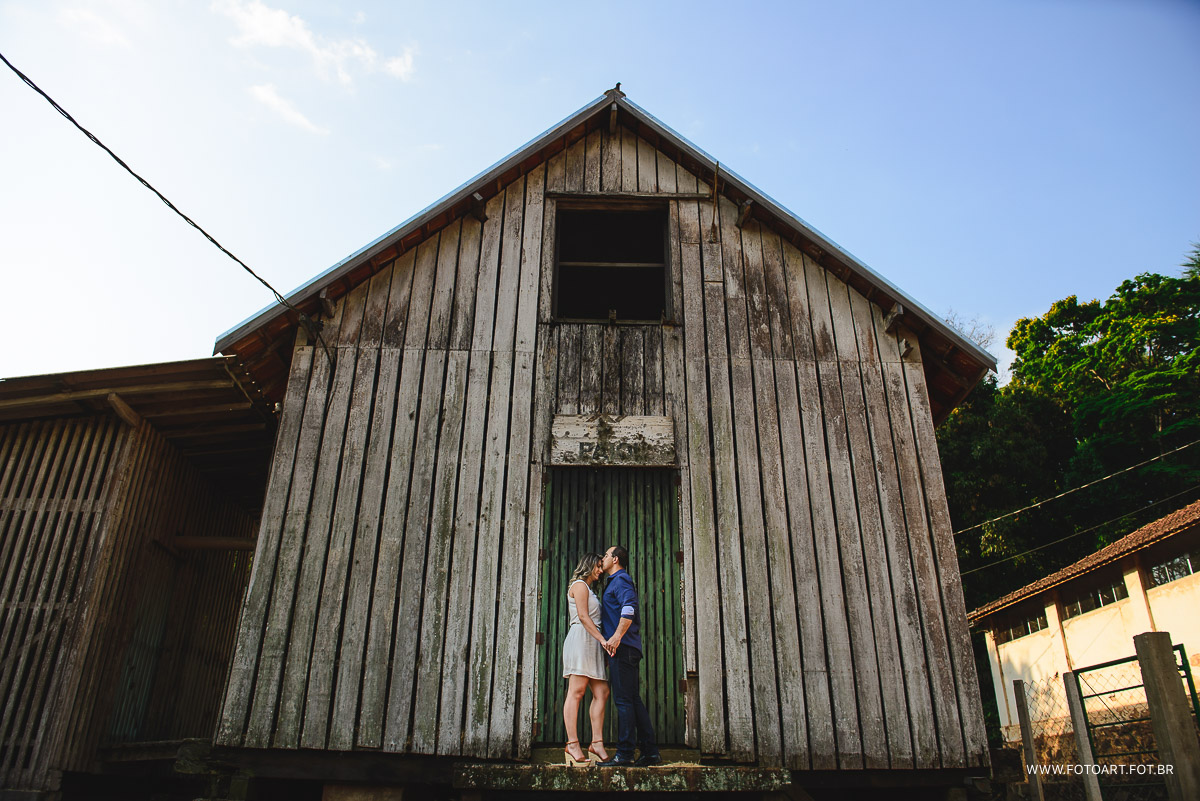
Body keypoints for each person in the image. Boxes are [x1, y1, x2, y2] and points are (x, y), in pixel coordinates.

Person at [596, 545, 661, 767]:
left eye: (606, 555)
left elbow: (630, 608)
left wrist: (615, 638)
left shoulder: (621, 580)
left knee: (623, 701)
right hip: (627, 649)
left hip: (622, 649)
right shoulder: (615, 582)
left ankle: (624, 754)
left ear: (615, 559)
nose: (602, 558)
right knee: (633, 700)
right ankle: (650, 752)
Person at [561, 552, 611, 765]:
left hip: (592, 640)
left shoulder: (590, 589)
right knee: (577, 691)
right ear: (588, 565)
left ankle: (596, 743)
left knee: (602, 692)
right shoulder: (580, 585)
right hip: (582, 638)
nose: (601, 570)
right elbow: (583, 616)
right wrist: (602, 640)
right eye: (598, 566)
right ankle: (572, 744)